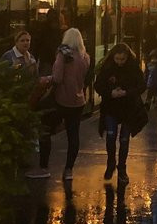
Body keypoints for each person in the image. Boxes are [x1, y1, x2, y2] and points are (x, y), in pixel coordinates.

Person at [94, 43, 145, 183]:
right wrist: (110, 93)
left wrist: (126, 93)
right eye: (117, 59)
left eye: (122, 59)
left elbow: (141, 85)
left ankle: (121, 167)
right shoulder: (107, 68)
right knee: (111, 136)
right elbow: (98, 85)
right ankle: (111, 162)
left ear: (127, 57)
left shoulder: (133, 68)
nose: (120, 62)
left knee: (124, 139)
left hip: (128, 107)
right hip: (112, 107)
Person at [50, 28, 91, 180]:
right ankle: (69, 169)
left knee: (48, 127)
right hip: (78, 100)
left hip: (62, 98)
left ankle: (43, 165)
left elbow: (57, 77)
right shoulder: (85, 57)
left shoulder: (63, 55)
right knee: (74, 135)